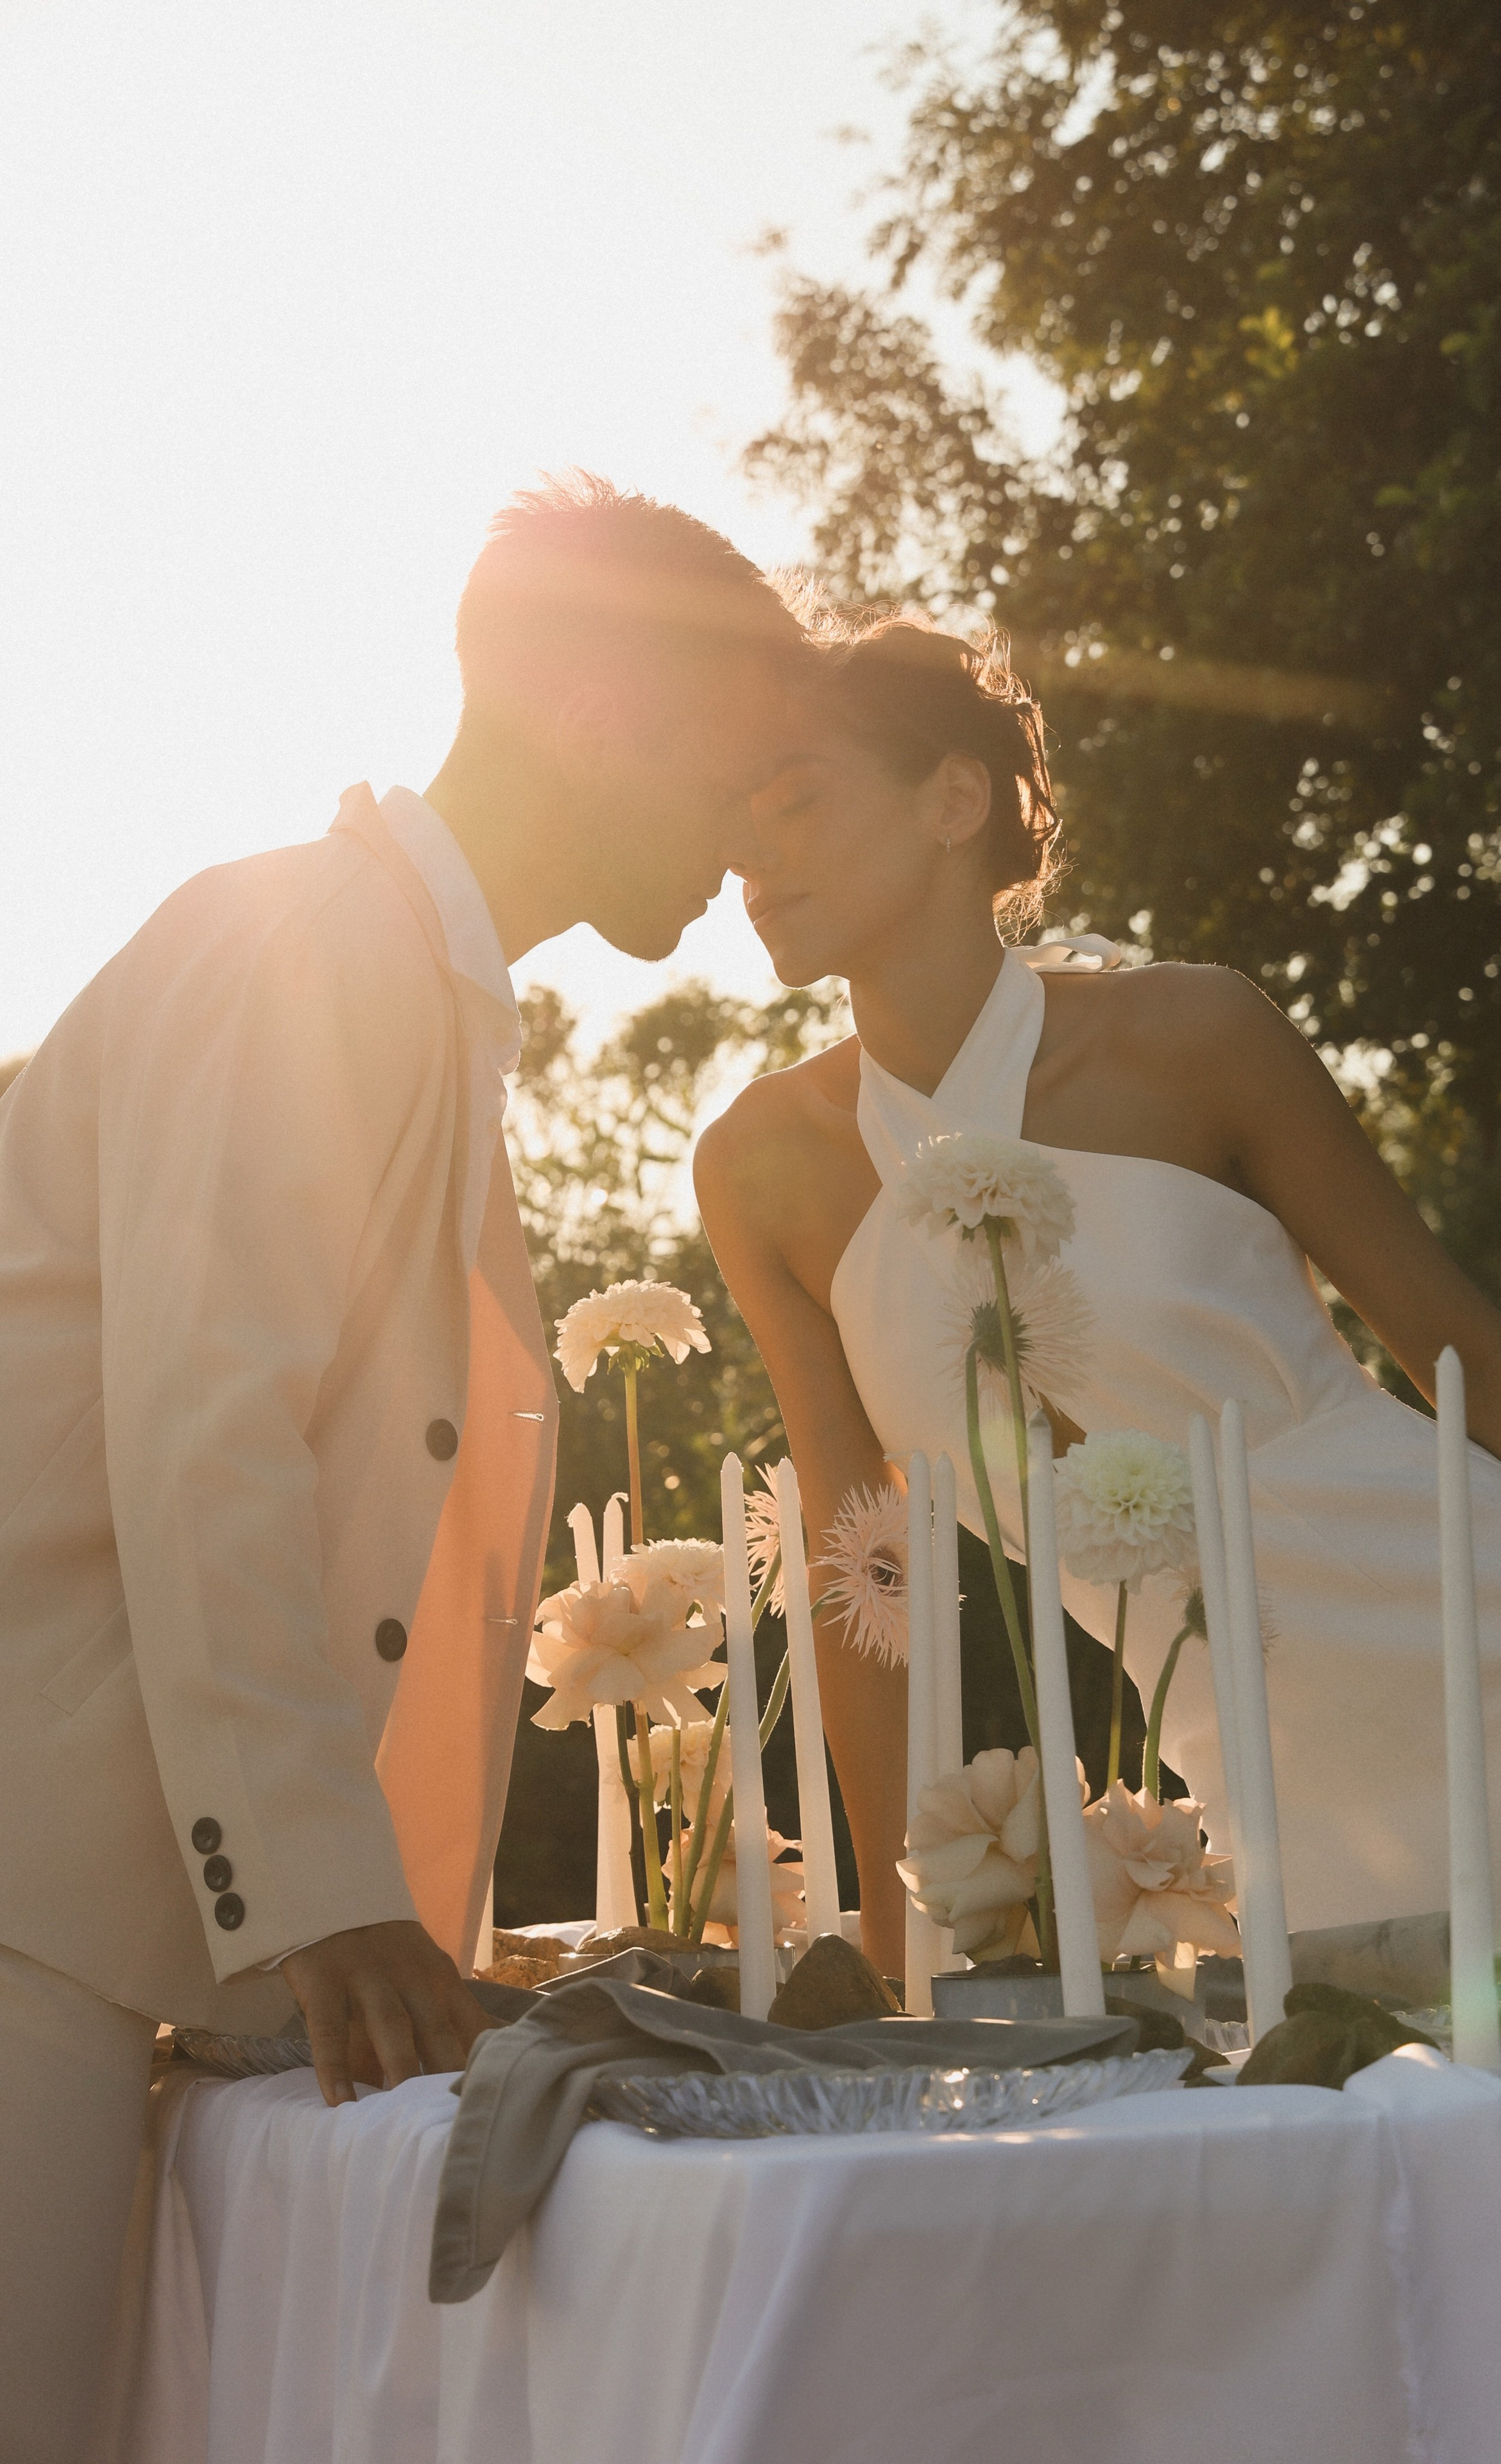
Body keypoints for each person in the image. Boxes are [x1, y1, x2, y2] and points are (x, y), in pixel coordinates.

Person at [0, 471, 803, 2462]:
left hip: (100, 1933)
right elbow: (215, 1424)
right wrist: (326, 1895)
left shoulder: (416, 991)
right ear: (603, 706)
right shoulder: (309, 945)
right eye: (737, 757)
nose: (747, 828)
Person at [698, 608, 1501, 1987]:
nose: (749, 858)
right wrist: (901, 1941)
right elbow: (867, 1578)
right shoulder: (760, 1169)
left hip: (1500, 1651)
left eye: (792, 801)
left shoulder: (1195, 1038)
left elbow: (1471, 1359)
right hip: (1245, 1763)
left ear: (953, 799)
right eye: (734, 825)